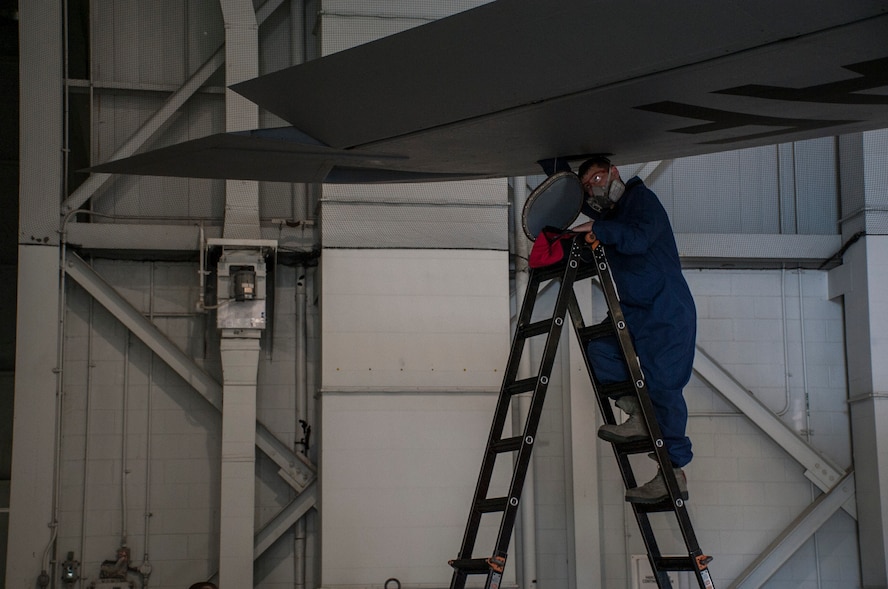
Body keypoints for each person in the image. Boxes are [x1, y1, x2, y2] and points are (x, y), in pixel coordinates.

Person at [544, 156, 696, 504]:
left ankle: (672, 471)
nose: (595, 188)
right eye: (588, 187)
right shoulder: (610, 215)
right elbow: (579, 206)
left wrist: (597, 229)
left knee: (665, 387)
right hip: (634, 310)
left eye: (597, 178)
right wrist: (555, 170)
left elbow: (638, 238)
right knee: (599, 349)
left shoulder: (642, 202)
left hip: (667, 311)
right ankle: (639, 413)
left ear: (614, 172)